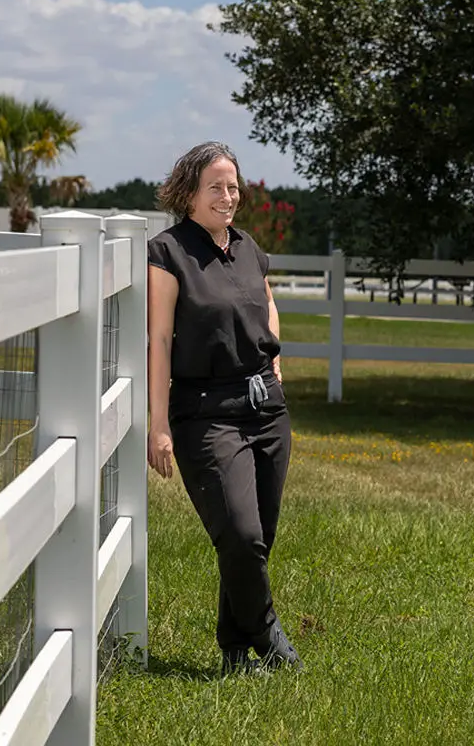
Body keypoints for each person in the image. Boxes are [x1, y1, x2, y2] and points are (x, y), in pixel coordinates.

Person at [147, 141, 304, 675]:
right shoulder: (167, 252)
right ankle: (268, 636)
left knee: (256, 539)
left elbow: (268, 305)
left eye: (233, 186)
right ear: (188, 191)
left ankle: (235, 652)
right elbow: (160, 339)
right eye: (215, 185)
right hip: (206, 413)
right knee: (240, 533)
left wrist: (276, 367)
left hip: (266, 411)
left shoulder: (248, 247)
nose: (228, 195)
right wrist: (159, 423)